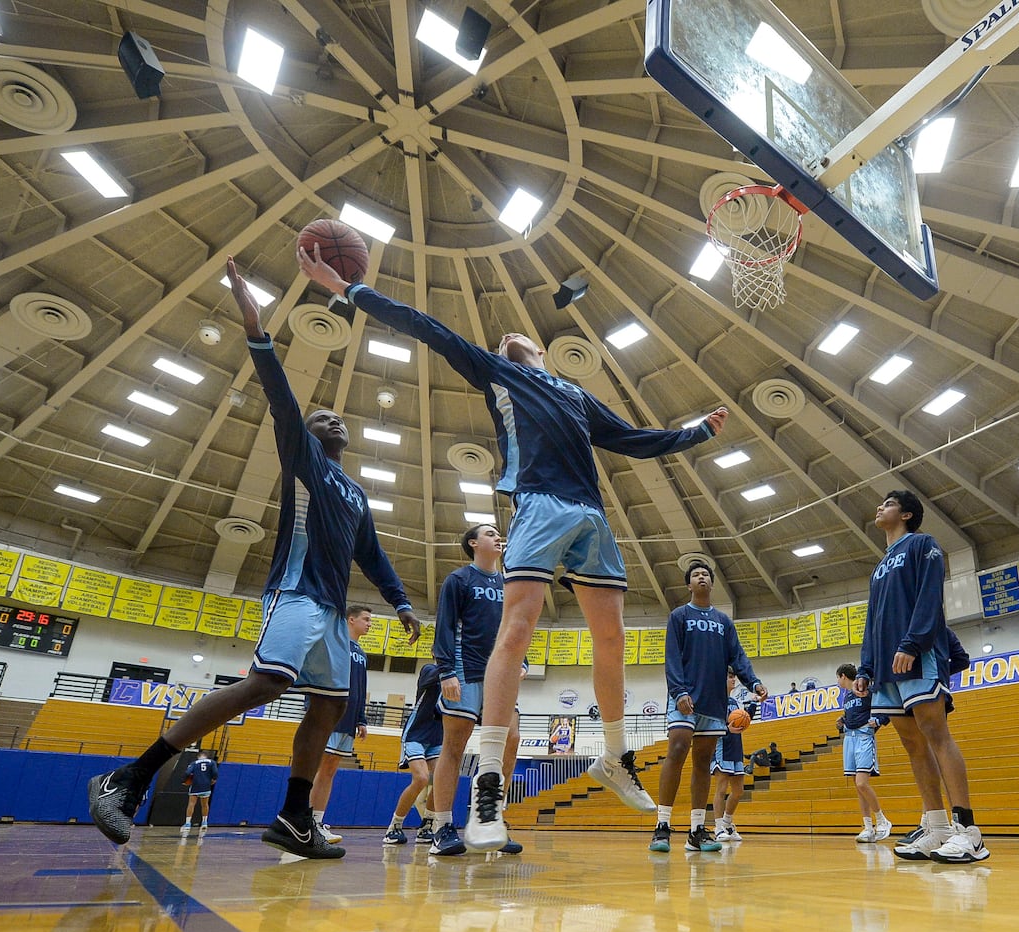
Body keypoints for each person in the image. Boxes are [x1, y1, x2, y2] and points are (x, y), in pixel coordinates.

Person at [299, 245, 729, 852]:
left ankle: (612, 755)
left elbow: (635, 439)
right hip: (539, 505)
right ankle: (490, 787)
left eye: (516, 335)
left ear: (545, 351)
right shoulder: (500, 372)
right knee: (518, 631)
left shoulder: (575, 395)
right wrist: (350, 291)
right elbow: (428, 329)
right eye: (501, 340)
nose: (505, 336)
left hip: (591, 515)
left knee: (613, 640)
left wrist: (695, 431)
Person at [88, 257, 421, 861]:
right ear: (310, 434)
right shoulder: (305, 460)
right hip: (293, 595)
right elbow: (282, 398)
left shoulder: (356, 494)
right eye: (323, 416)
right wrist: (255, 326)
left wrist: (399, 603)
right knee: (267, 682)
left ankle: (295, 817)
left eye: (336, 415)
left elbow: (371, 554)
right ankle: (128, 778)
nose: (333, 417)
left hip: (331, 609)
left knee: (329, 703)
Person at [856, 490, 988, 863]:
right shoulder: (879, 567)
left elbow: (930, 597)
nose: (880, 507)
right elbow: (873, 620)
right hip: (885, 669)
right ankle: (937, 827)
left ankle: (969, 832)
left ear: (908, 514)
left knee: (935, 734)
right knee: (913, 746)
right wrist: (866, 667)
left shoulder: (923, 545)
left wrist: (913, 643)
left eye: (889, 503)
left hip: (917, 654)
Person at [650, 561, 767, 853]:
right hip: (685, 698)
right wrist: (678, 691)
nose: (701, 577)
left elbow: (737, 656)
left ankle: (697, 830)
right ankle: (662, 825)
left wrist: (753, 682)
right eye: (695, 575)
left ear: (712, 584)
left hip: (714, 703)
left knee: (703, 764)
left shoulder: (724, 622)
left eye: (705, 575)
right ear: (688, 585)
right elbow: (672, 657)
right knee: (677, 750)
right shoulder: (679, 616)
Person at [428, 523, 526, 857]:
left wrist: (521, 660)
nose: (497, 537)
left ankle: (491, 817)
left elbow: (515, 626)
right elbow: (444, 624)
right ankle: (441, 826)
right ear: (473, 543)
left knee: (511, 739)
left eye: (498, 533)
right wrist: (445, 671)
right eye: (489, 533)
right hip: (463, 666)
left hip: (501, 671)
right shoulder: (459, 580)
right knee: (454, 745)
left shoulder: (509, 582)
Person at [310, 605, 373, 844]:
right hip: (329, 714)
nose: (369, 624)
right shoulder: (334, 643)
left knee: (330, 769)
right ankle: (305, 820)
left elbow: (361, 687)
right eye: (365, 619)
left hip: (348, 719)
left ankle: (316, 820)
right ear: (351, 620)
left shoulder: (362, 653)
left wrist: (361, 719)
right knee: (321, 767)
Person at [383, 662, 445, 846]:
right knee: (421, 779)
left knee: (441, 780)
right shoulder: (429, 669)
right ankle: (394, 826)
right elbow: (436, 675)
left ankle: (427, 825)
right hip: (416, 734)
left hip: (438, 735)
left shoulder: (461, 677)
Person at [835, 662, 892, 843]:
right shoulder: (846, 697)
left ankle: (882, 820)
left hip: (864, 737)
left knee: (862, 783)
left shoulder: (866, 688)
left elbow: (886, 708)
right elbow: (854, 715)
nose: (837, 681)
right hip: (849, 739)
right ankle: (868, 827)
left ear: (843, 676)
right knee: (858, 787)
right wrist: (842, 720)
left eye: (838, 678)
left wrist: (879, 720)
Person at [711, 670, 746, 842]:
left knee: (739, 790)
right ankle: (718, 828)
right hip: (721, 747)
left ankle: (727, 823)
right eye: (729, 677)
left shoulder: (737, 702)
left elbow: (742, 721)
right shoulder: (715, 700)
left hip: (737, 747)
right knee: (722, 788)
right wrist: (727, 729)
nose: (733, 679)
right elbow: (710, 726)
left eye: (734, 677)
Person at [180, 749, 217, 834]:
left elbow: (187, 772)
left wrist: (184, 781)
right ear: (206, 756)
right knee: (205, 805)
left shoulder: (194, 763)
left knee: (191, 804)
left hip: (196, 785)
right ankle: (204, 822)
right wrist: (214, 779)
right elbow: (215, 772)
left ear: (198, 757)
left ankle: (188, 823)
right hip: (206, 785)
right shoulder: (212, 762)